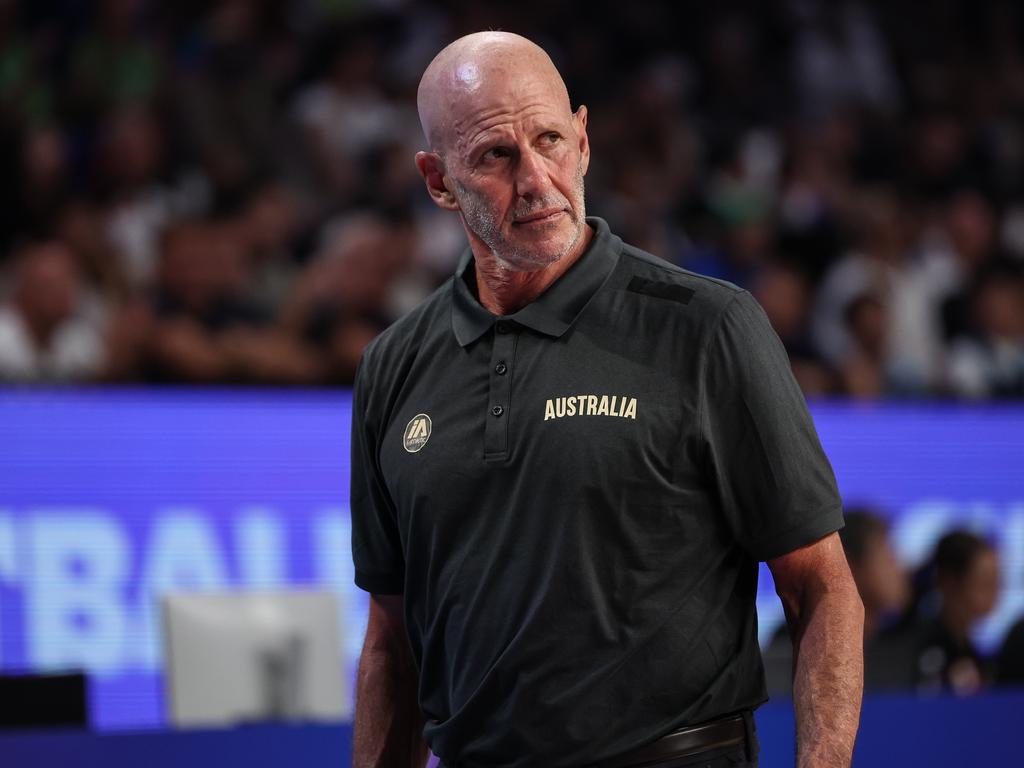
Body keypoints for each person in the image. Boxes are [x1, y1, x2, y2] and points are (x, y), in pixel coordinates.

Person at [350, 31, 863, 768]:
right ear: (437, 180)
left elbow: (822, 589)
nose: (536, 179)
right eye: (495, 156)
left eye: (550, 140)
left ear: (584, 140)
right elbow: (391, 643)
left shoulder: (706, 325)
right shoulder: (393, 365)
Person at [911, 530, 1000, 695]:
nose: (995, 593)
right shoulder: (921, 650)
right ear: (949, 583)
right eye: (985, 583)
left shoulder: (978, 655)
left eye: (997, 581)